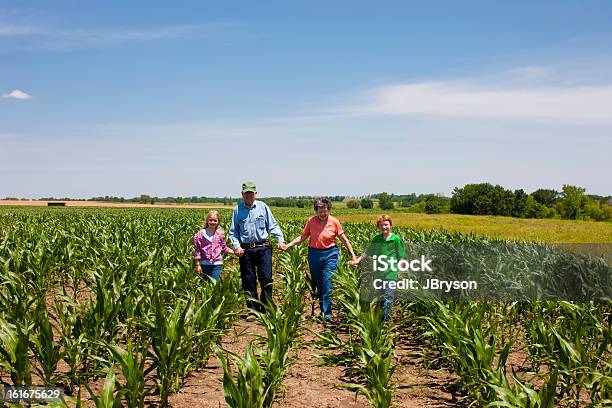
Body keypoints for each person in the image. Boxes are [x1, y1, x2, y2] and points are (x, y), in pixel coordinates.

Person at [284, 197, 358, 322]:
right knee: (318, 283)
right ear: (316, 210)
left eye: (325, 211)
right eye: (320, 211)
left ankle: (327, 314)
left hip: (330, 254)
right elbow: (302, 237)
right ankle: (323, 310)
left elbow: (344, 239)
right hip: (314, 254)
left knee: (327, 282)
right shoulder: (311, 221)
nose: (323, 214)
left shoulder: (334, 222)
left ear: (328, 210)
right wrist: (288, 245)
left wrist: (353, 255)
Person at [229, 181, 286, 312]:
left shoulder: (263, 207)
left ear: (255, 194)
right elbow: (233, 232)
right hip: (245, 249)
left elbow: (273, 225)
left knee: (266, 278)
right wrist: (236, 246)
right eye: (246, 193)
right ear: (242, 194)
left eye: (251, 193)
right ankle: (252, 309)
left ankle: (266, 307)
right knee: (248, 280)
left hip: (263, 247)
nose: (249, 196)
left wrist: (280, 240)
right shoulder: (237, 210)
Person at [350, 214, 405, 319]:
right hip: (379, 273)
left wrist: (399, 272)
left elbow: (401, 257)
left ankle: (385, 322)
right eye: (381, 225)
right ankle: (380, 319)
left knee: (388, 297)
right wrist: (357, 260)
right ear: (378, 227)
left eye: (386, 224)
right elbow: (367, 253)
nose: (384, 227)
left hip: (391, 273)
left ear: (390, 225)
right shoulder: (377, 239)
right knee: (380, 297)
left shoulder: (396, 239)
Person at [193, 210, 234, 280]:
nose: (212, 222)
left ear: (218, 222)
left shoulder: (220, 234)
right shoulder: (200, 234)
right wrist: (197, 265)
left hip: (217, 264)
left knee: (215, 285)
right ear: (207, 221)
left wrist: (234, 252)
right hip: (204, 264)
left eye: (215, 220)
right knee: (205, 285)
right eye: (210, 220)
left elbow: (224, 248)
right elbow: (197, 251)